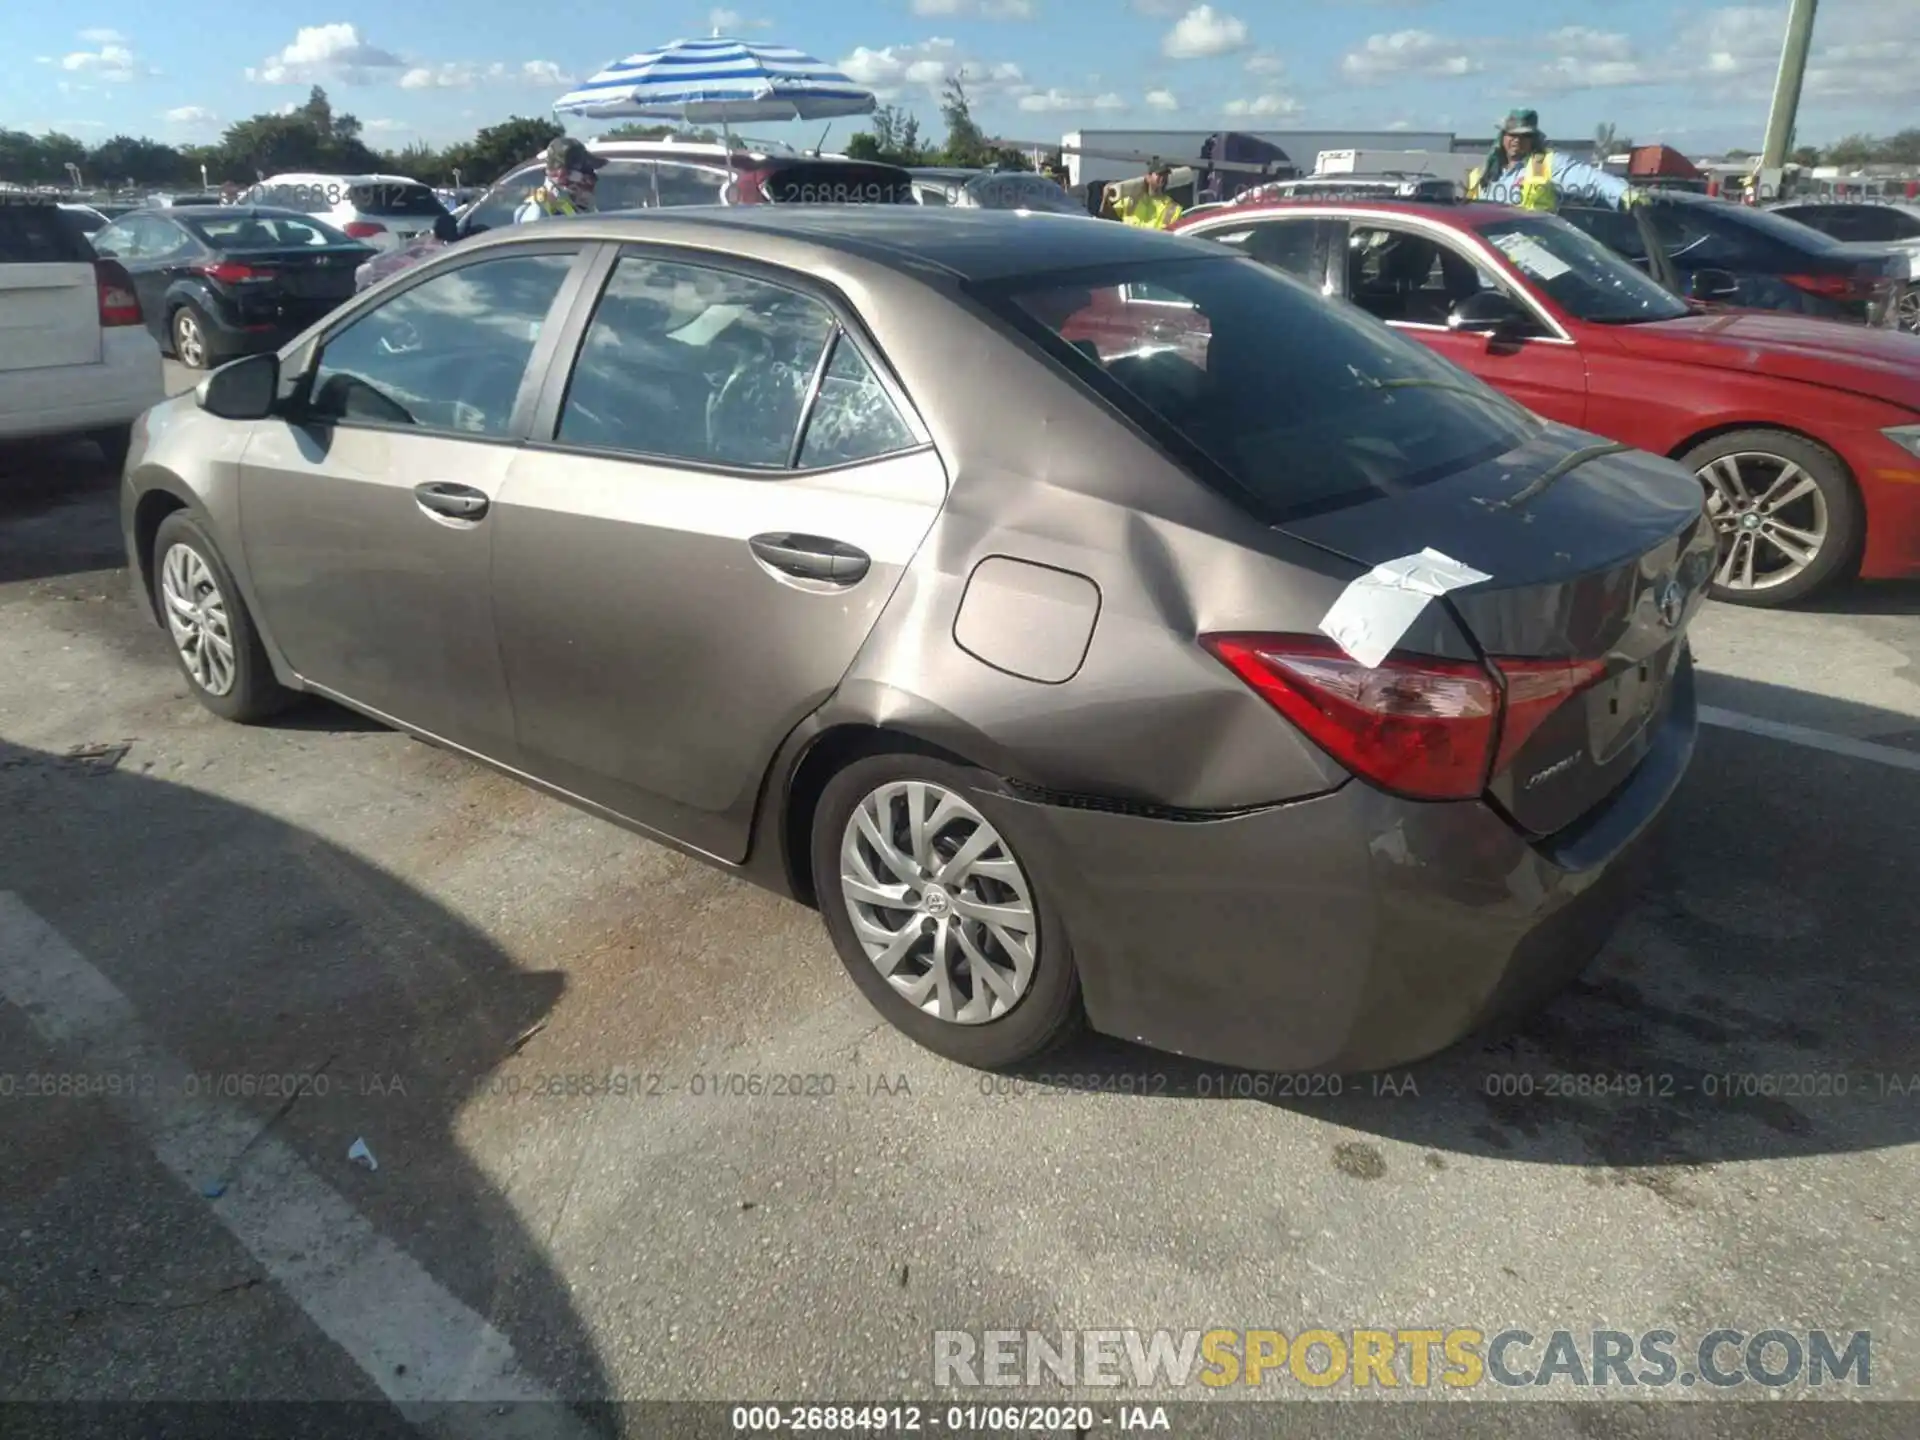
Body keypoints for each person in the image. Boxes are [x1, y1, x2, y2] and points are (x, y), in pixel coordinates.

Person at [1466, 109, 1638, 212]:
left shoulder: (1542, 164)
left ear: (1533, 139)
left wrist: (1626, 194)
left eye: (1525, 136)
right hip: (1489, 260)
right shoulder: (1482, 173)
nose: (1517, 140)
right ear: (1502, 137)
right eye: (1513, 135)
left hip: (1530, 259)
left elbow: (1593, 179)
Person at [514, 138, 605, 223]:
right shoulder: (539, 215)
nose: (593, 179)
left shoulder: (578, 208)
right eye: (587, 171)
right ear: (563, 175)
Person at [1103, 162, 1183, 229]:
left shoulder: (1173, 208)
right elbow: (1108, 216)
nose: (1163, 178)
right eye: (1159, 174)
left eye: (1165, 175)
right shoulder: (1131, 199)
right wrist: (1106, 196)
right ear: (1148, 177)